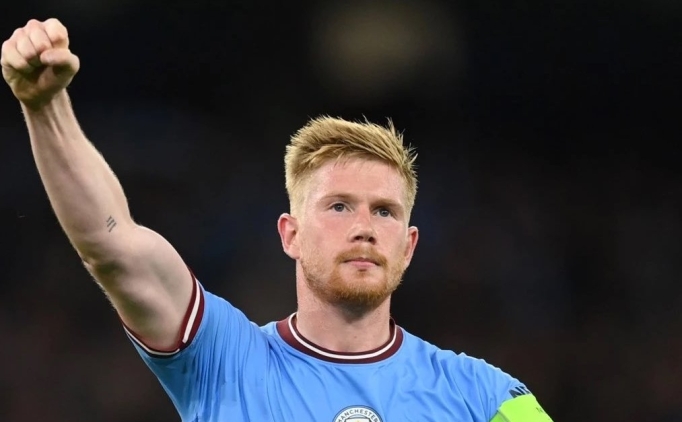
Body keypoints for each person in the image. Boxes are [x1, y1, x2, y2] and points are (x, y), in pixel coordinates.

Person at [2, 18, 554, 422]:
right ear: (290, 234)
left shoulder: (483, 396)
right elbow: (112, 245)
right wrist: (45, 107)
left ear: (408, 246)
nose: (364, 227)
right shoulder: (224, 360)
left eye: (384, 211)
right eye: (339, 206)